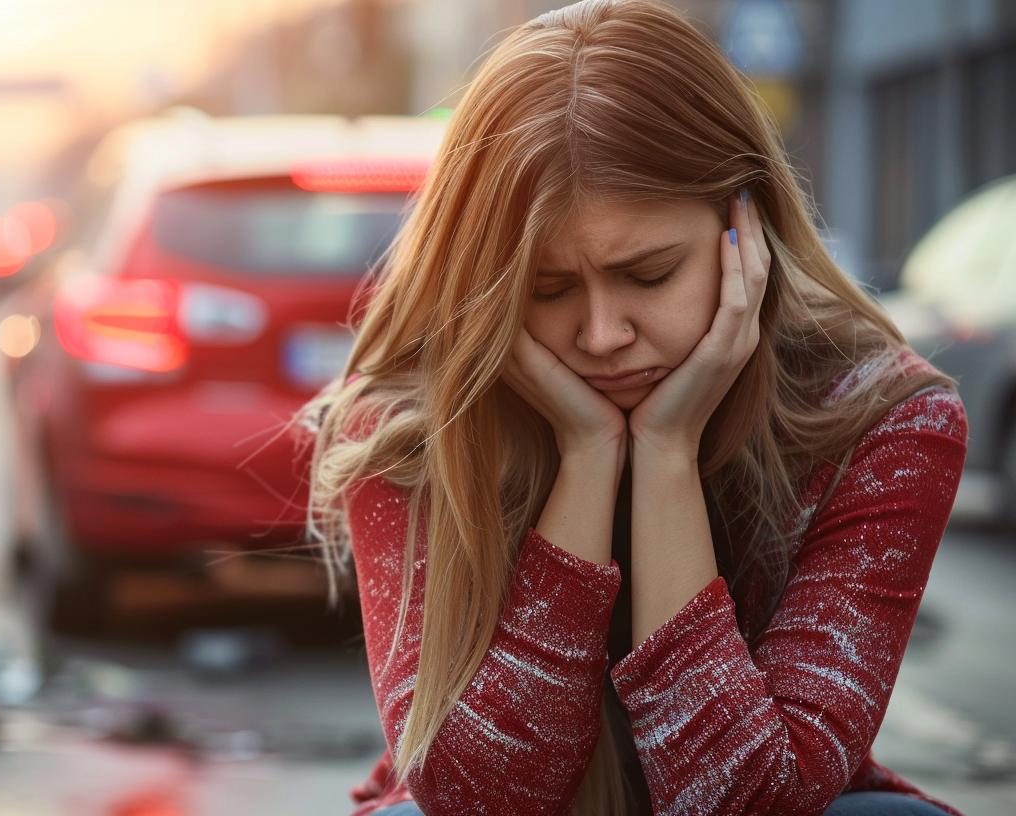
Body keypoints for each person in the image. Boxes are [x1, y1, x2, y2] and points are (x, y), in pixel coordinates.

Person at [292, 1, 970, 814]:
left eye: (649, 275)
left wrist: (666, 456)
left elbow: (751, 803)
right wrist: (586, 456)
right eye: (546, 290)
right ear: (485, 285)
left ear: (744, 231)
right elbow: (479, 804)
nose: (604, 334)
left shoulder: (883, 421)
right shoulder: (409, 426)